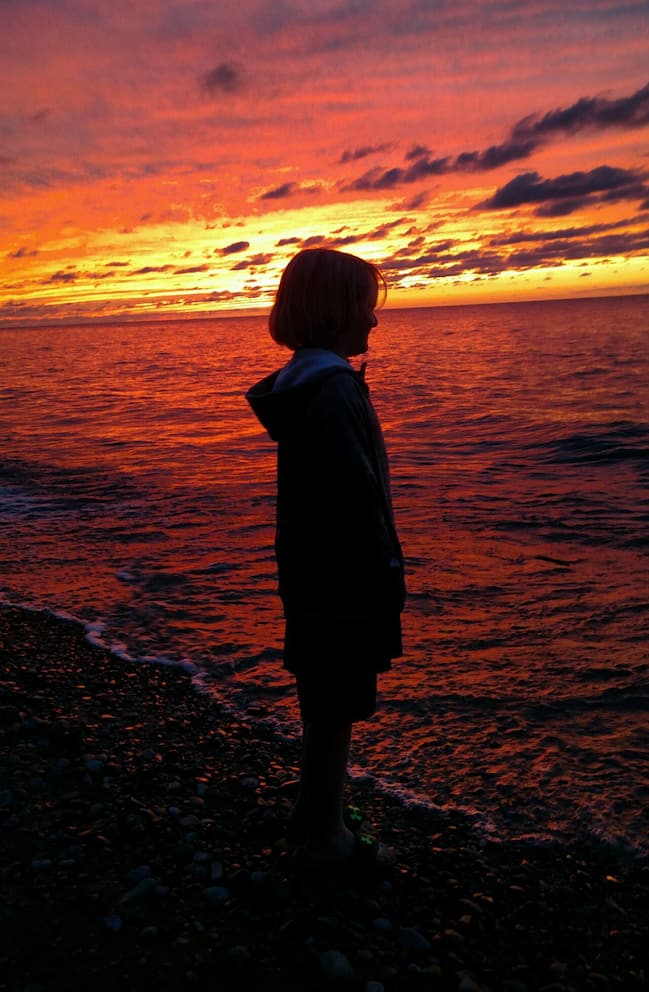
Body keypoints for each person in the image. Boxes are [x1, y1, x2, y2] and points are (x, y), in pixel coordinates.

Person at [246, 247, 405, 870]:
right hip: (343, 574)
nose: (374, 320)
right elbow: (354, 495)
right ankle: (324, 839)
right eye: (366, 306)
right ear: (337, 311)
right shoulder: (332, 389)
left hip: (311, 569)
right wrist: (385, 571)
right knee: (337, 699)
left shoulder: (308, 382)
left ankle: (317, 809)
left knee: (325, 695)